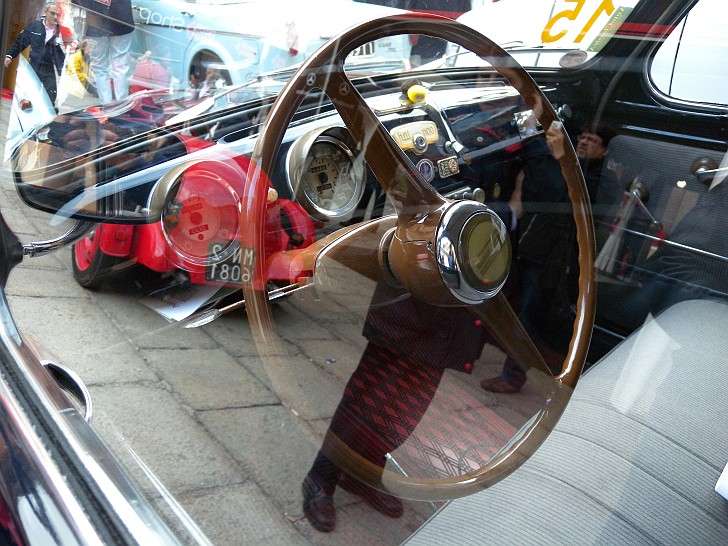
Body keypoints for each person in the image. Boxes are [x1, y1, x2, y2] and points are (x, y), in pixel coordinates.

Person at [301, 281, 489, 532]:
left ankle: (363, 474)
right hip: (415, 291)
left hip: (453, 311)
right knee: (369, 397)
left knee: (406, 409)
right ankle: (321, 477)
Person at [480, 121, 618, 394]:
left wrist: (559, 158)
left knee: (531, 319)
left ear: (603, 151)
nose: (583, 142)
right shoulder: (567, 168)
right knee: (517, 311)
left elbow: (563, 198)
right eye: (582, 137)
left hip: (557, 263)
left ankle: (514, 376)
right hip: (533, 251)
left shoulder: (599, 181)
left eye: (592, 141)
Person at [4, 3, 66, 106]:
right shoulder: (35, 26)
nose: (55, 17)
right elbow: (20, 42)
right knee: (28, 92)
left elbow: (60, 53)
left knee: (51, 95)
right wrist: (9, 56)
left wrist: (63, 70)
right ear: (46, 13)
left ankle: (47, 117)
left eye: (57, 15)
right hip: (34, 65)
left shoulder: (60, 31)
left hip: (48, 68)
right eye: (52, 13)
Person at [73, 0, 134, 104]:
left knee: (100, 67)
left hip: (97, 21)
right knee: (119, 66)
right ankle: (121, 107)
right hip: (120, 19)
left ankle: (107, 106)